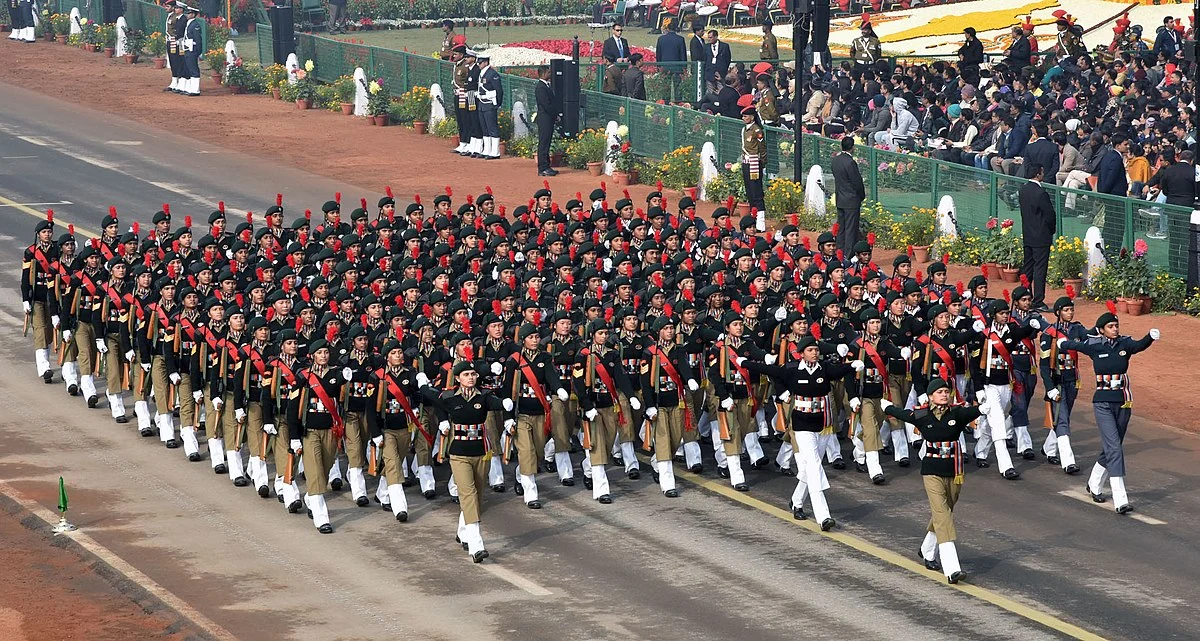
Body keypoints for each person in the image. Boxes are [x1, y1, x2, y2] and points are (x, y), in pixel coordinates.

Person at [883, 377, 986, 583]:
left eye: (947, 392)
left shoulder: (957, 413)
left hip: (954, 471)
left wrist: (985, 407)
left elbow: (975, 411)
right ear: (930, 397)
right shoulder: (922, 415)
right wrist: (886, 406)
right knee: (943, 515)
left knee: (945, 511)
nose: (945, 395)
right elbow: (903, 414)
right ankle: (952, 568)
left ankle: (927, 550)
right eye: (940, 392)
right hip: (931, 471)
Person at [1060, 306, 1158, 514]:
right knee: (1114, 448)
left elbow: (1140, 345)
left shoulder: (1125, 344)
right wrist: (1062, 343)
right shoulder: (1095, 346)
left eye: (1116, 326)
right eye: (1110, 326)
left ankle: (1094, 483)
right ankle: (1120, 499)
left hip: (1123, 402)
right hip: (1102, 403)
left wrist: (1150, 336)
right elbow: (1075, 345)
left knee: (1112, 446)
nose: (1115, 329)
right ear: (1101, 330)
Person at [1037, 293, 1087, 474]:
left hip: (1072, 381)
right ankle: (1068, 461)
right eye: (1066, 310)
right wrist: (1049, 388)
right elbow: (1043, 366)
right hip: (1057, 382)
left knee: (1060, 418)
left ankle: (1048, 448)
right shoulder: (1048, 335)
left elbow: (1088, 336)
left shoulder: (1076, 329)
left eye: (1072, 309)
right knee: (1063, 419)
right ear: (1058, 312)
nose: (1070, 313)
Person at [22, 211, 58, 385]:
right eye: (44, 232)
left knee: (49, 331)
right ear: (38, 234)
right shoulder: (30, 252)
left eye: (49, 232)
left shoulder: (57, 249)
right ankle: (43, 367)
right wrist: (25, 300)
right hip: (36, 296)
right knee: (39, 329)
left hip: (52, 297)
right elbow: (25, 277)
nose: (47, 234)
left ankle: (46, 361)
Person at [1018, 163, 1056, 310]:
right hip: (1041, 237)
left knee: (1028, 267)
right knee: (1040, 268)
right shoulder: (1041, 193)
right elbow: (1050, 216)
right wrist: (1051, 230)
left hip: (1028, 234)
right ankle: (1038, 300)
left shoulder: (1023, 190)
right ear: (1038, 174)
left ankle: (1024, 296)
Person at [831, 135, 865, 258]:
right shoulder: (850, 162)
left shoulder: (836, 160)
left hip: (840, 199)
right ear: (853, 148)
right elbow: (857, 182)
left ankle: (839, 253)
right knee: (851, 229)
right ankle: (848, 256)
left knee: (842, 228)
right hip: (851, 200)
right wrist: (861, 196)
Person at [738, 94, 767, 231]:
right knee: (749, 192)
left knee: (756, 192)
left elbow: (762, 148)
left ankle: (760, 222)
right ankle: (753, 219)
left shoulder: (757, 130)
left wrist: (763, 163)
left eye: (745, 116)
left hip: (755, 162)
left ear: (752, 117)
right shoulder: (744, 130)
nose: (743, 118)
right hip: (746, 162)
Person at [475, 53, 503, 160]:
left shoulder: (492, 74)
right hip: (482, 104)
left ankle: (495, 151)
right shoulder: (482, 73)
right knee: (485, 128)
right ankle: (487, 149)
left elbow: (498, 91)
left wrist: (497, 104)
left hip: (489, 104)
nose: (479, 65)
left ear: (486, 62)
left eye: (480, 63)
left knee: (492, 128)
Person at [534, 65, 558, 177]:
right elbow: (546, 105)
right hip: (545, 119)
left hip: (548, 118)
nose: (550, 74)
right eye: (548, 72)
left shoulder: (546, 86)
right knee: (543, 143)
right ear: (543, 74)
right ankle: (542, 168)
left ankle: (547, 166)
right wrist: (555, 113)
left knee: (547, 143)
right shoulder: (541, 88)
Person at [602, 22, 630, 96]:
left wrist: (627, 58)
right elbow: (605, 55)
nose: (619, 32)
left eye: (621, 30)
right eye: (617, 30)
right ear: (613, 31)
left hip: (624, 68)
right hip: (614, 69)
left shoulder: (624, 41)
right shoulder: (608, 42)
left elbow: (628, 53)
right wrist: (616, 60)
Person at [164, 2, 186, 93]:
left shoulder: (175, 17)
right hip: (170, 39)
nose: (166, 8)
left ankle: (178, 81)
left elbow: (179, 30)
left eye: (168, 6)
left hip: (175, 40)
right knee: (172, 60)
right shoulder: (170, 16)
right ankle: (174, 81)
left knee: (176, 60)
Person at [181, 5, 203, 97]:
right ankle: (190, 88)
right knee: (189, 67)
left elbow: (198, 39)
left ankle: (195, 89)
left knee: (193, 69)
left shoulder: (195, 25)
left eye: (189, 13)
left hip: (192, 48)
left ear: (193, 14)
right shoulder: (189, 23)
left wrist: (198, 51)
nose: (187, 15)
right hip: (187, 47)